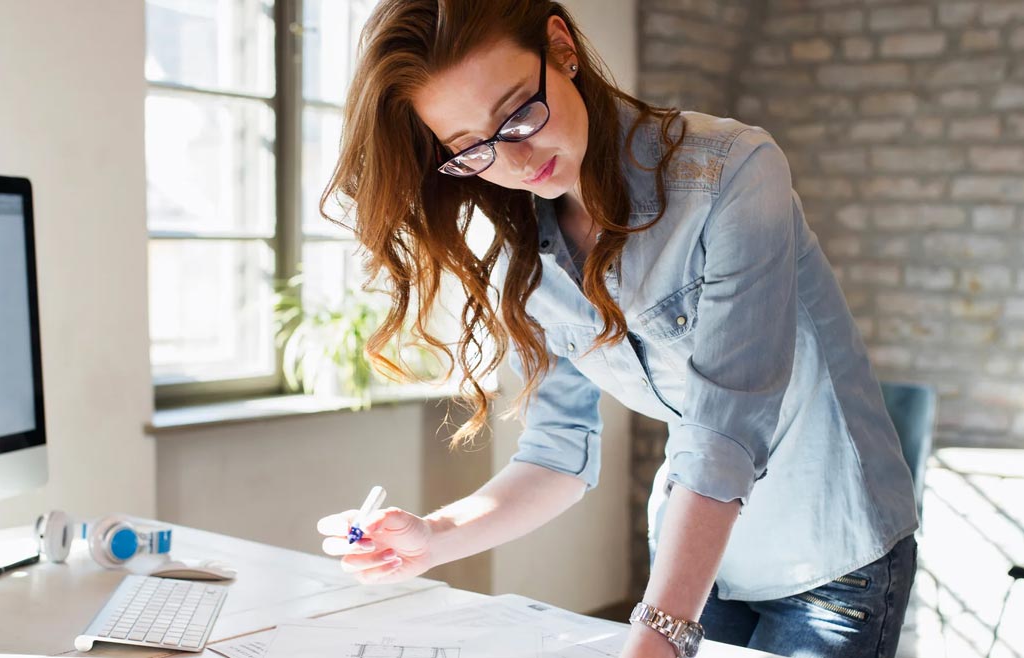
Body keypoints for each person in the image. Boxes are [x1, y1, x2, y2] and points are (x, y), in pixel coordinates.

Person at [314, 2, 919, 656]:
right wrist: (433, 537)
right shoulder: (523, 252)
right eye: (470, 149)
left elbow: (723, 435)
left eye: (518, 113)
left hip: (833, 555)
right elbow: (556, 454)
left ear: (561, 47)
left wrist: (657, 631)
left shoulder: (733, 173)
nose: (514, 161)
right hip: (702, 559)